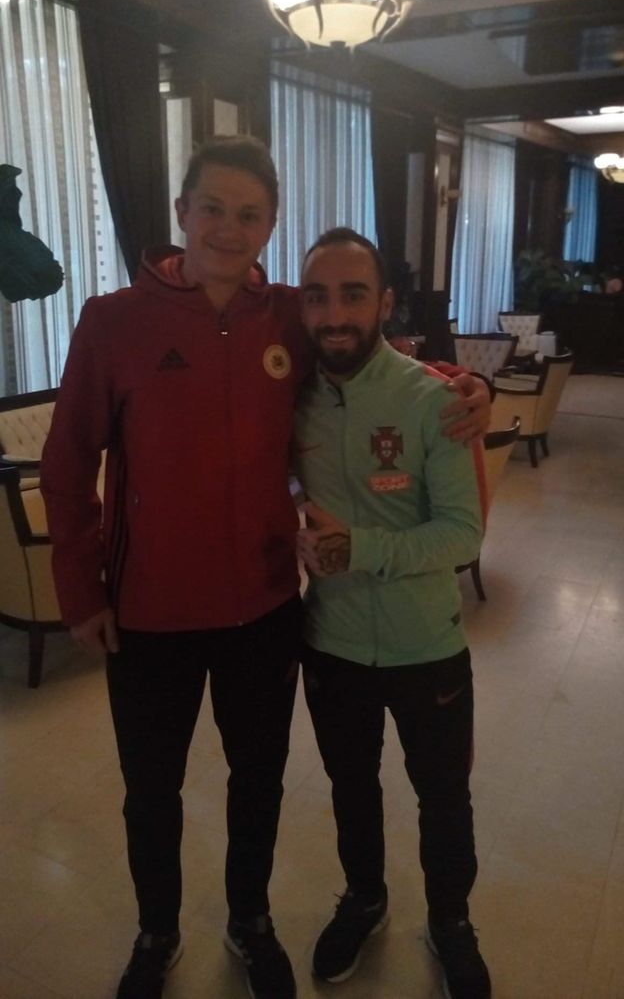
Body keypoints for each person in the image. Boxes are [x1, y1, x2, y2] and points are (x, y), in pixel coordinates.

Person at [40, 137, 490, 999]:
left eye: (249, 214)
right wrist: (80, 589)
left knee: (259, 782)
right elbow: (66, 465)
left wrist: (465, 386)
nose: (228, 227)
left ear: (270, 226)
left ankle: (250, 919)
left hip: (266, 611)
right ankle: (156, 931)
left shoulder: (287, 313)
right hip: (149, 614)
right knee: (151, 791)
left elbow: (374, 357)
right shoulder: (113, 320)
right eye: (212, 208)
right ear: (182, 213)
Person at [294, 227, 491, 999]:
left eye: (353, 294)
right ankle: (365, 897)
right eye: (318, 296)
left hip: (427, 647)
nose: (335, 313)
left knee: (443, 798)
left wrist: (361, 547)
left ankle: (451, 921)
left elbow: (464, 534)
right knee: (351, 787)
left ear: (383, 302)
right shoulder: (292, 397)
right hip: (331, 643)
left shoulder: (434, 398)